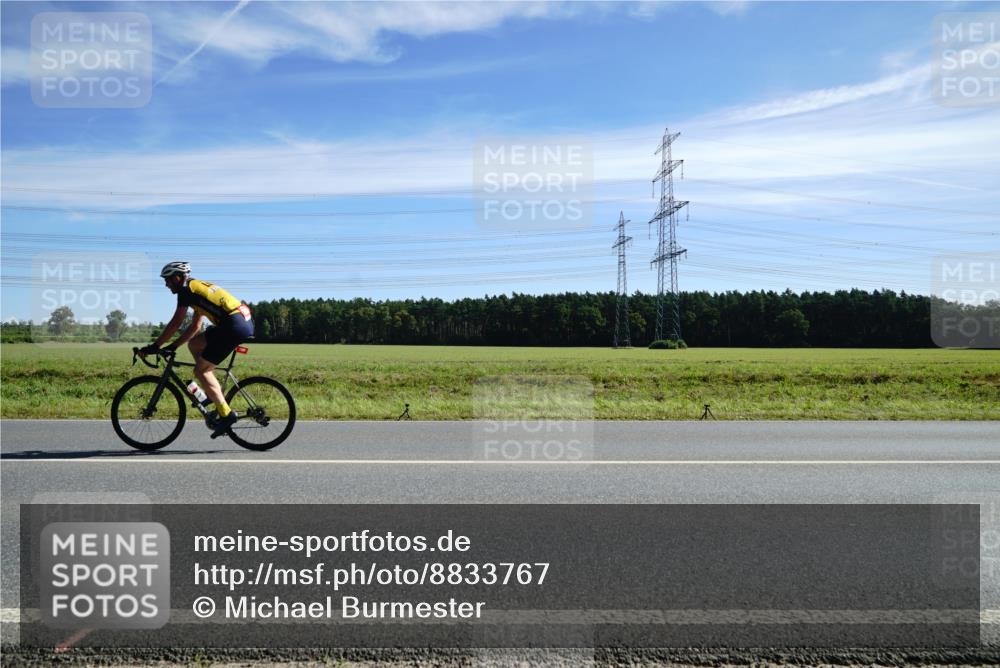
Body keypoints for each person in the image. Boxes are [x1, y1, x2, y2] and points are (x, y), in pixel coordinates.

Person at [139, 262, 254, 437]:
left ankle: (227, 414)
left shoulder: (186, 292)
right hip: (237, 320)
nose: (166, 284)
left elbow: (176, 322)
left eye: (168, 280)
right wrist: (173, 346)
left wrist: (156, 346)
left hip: (233, 324)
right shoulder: (195, 288)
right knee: (194, 344)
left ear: (177, 278)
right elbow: (195, 327)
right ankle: (212, 393)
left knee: (201, 370)